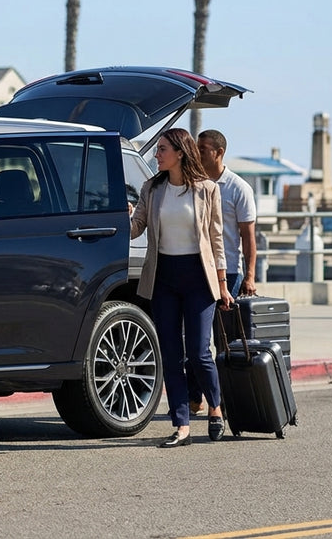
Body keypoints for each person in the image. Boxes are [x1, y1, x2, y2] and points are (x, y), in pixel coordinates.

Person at [129, 127, 231, 447]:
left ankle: (215, 408)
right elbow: (135, 230)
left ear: (179, 152)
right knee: (171, 355)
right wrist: (123, 215)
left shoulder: (207, 190)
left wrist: (224, 285)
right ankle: (181, 424)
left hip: (199, 277)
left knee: (199, 352)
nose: (156, 155)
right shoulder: (152, 188)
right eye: (157, 149)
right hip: (164, 277)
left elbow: (216, 240)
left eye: (162, 150)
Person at [186, 129, 259, 414]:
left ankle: (227, 399)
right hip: (197, 269)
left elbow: (248, 237)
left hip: (228, 273)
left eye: (203, 148)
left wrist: (250, 276)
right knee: (193, 340)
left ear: (219, 152)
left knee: (223, 341)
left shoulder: (238, 188)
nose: (198, 152)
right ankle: (195, 399)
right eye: (197, 147)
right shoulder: (193, 183)